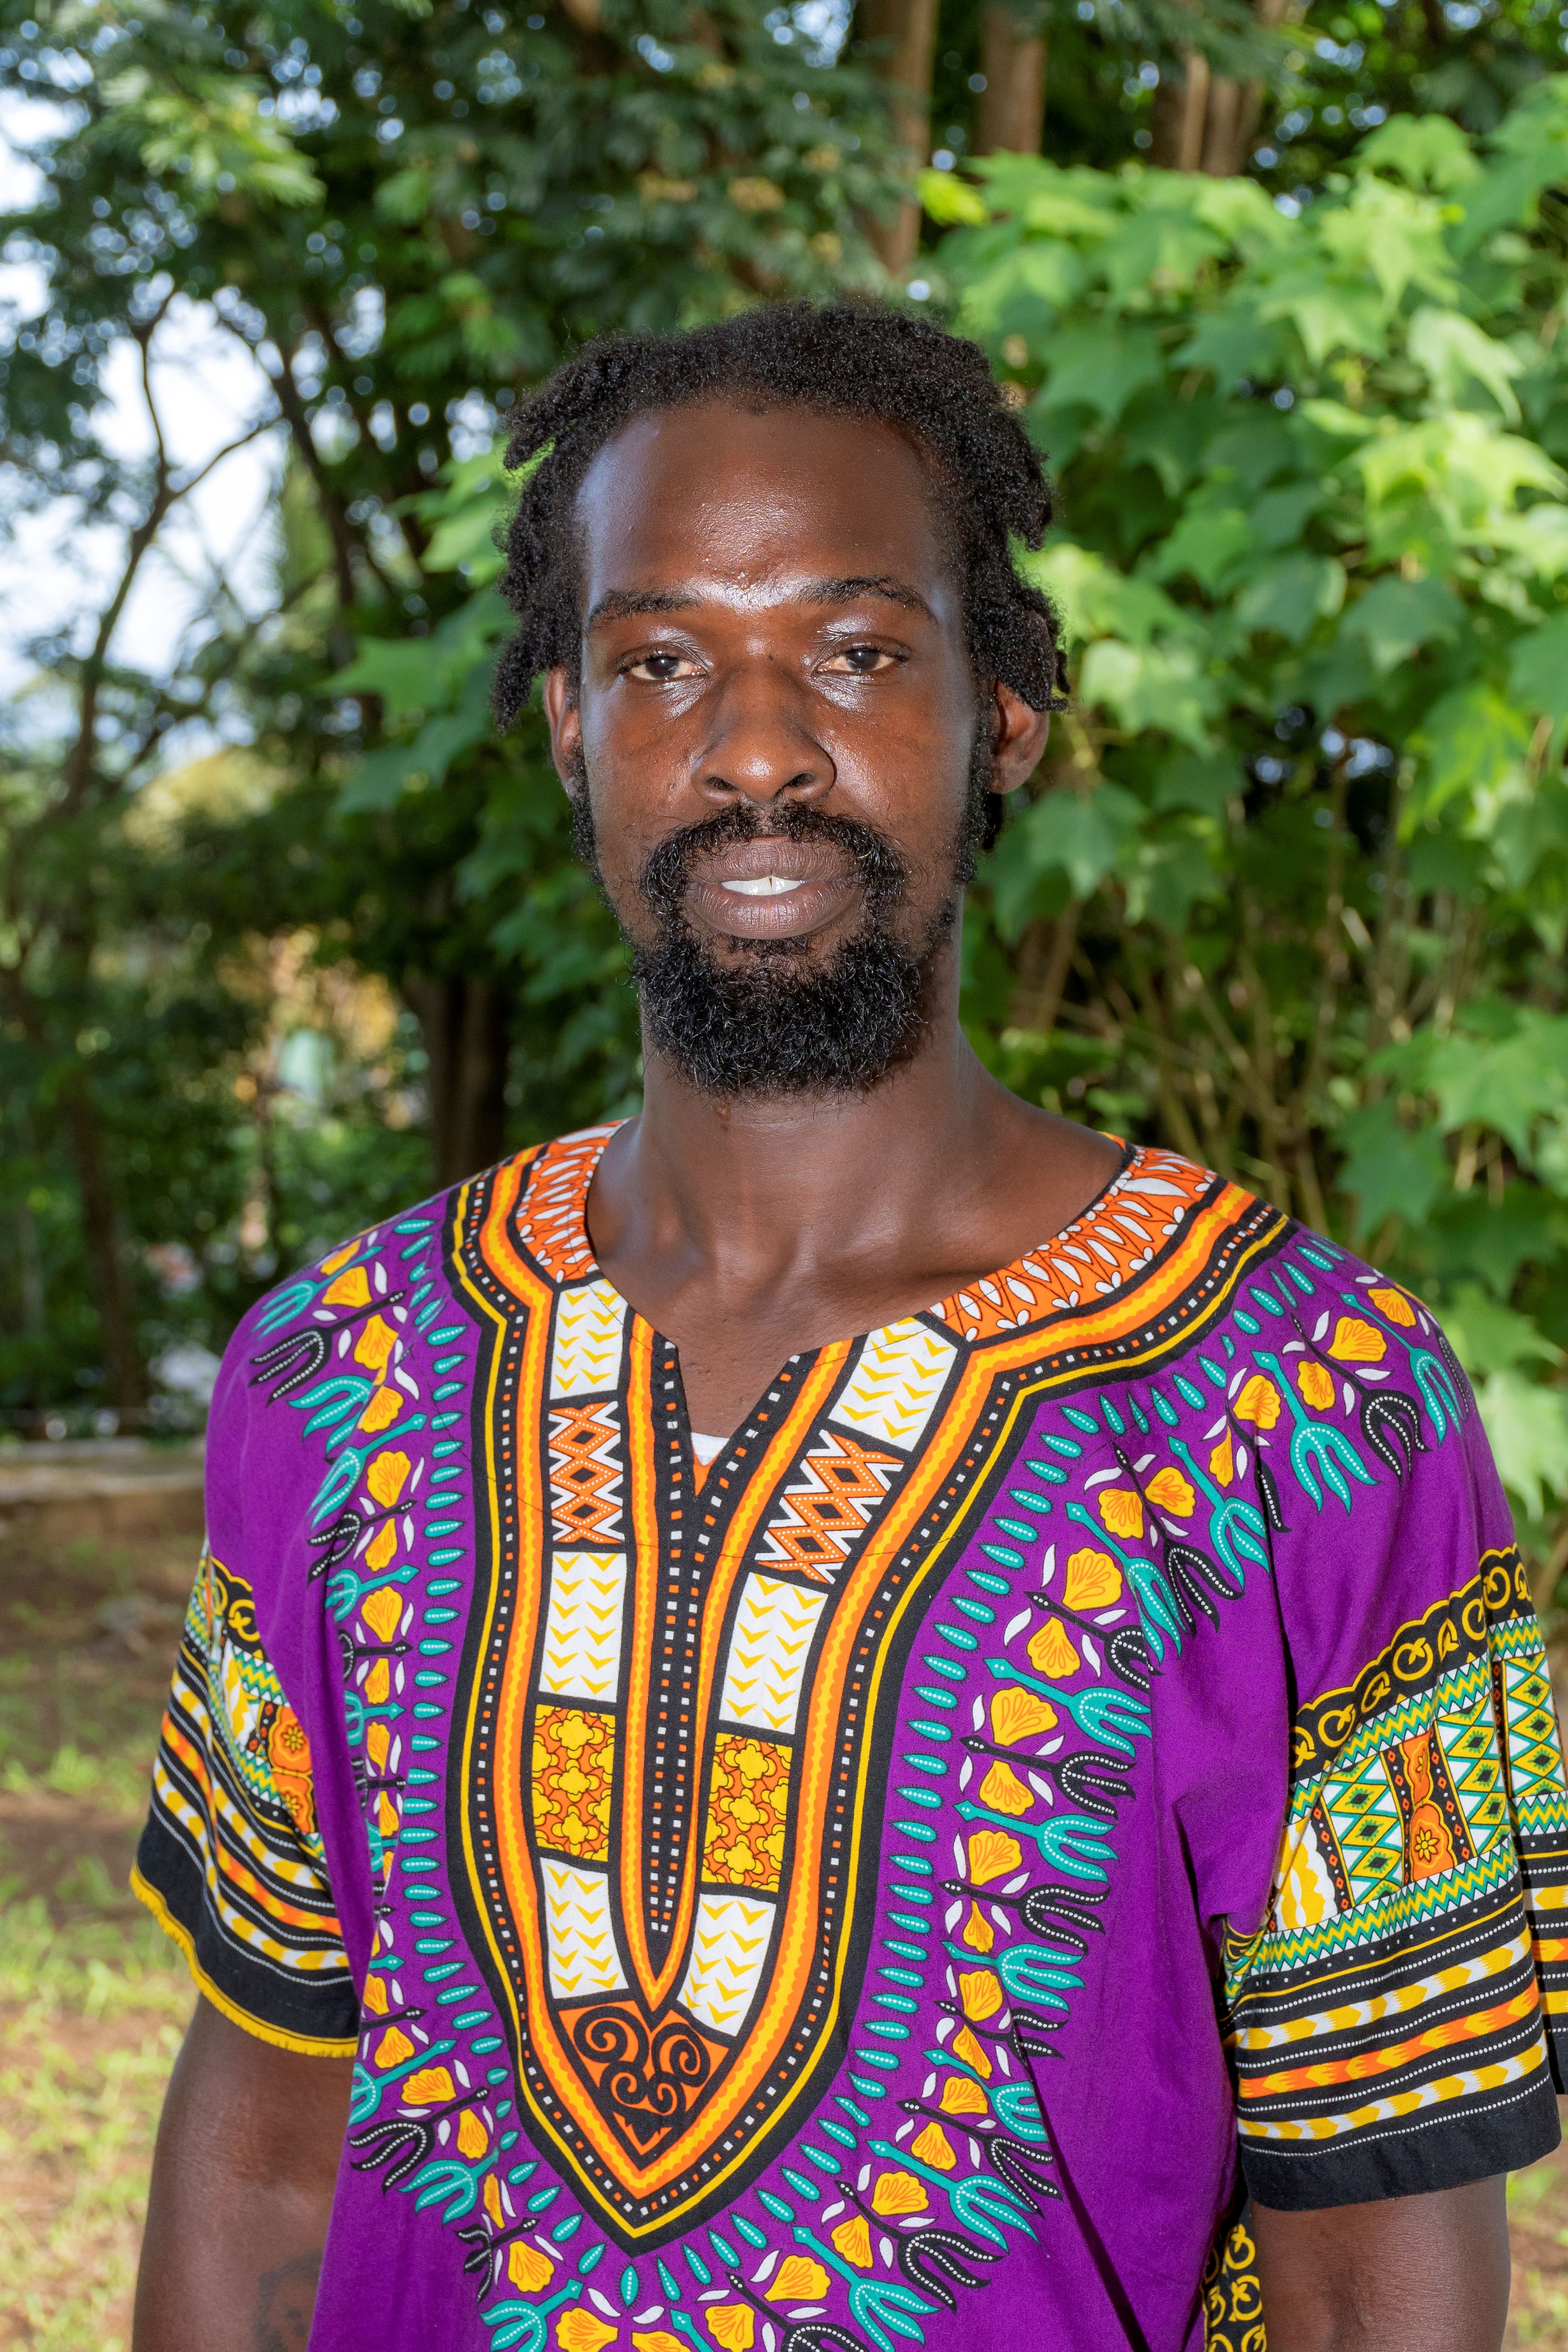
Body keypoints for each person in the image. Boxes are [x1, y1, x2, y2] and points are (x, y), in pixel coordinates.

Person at [132, 302, 1567, 2352]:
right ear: (569, 729)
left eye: (861, 650)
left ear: (1010, 720)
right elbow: (265, 2151)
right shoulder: (337, 1379)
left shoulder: (1309, 1409)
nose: (756, 745)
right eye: (659, 663)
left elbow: (1384, 2267)